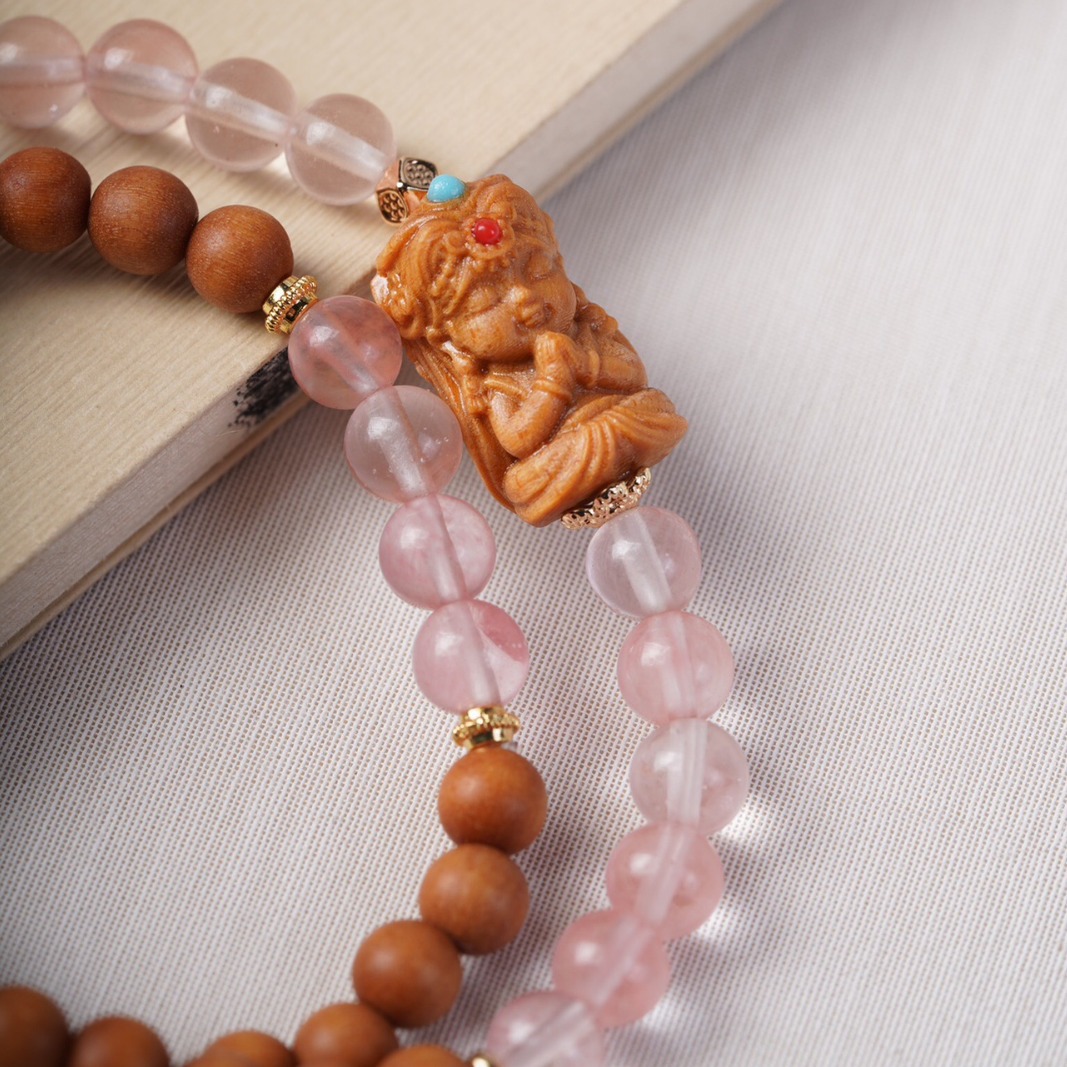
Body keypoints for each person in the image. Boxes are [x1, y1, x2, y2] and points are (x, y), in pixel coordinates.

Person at [372, 174, 687, 526]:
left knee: (649, 407)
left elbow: (634, 376)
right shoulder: (498, 383)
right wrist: (553, 382)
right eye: (487, 301)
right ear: (449, 336)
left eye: (538, 272)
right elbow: (518, 440)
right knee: (524, 480)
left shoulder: (583, 335)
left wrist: (585, 364)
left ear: (559, 264)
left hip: (621, 420)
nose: (523, 297)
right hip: (567, 454)